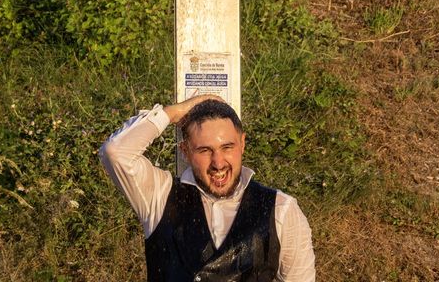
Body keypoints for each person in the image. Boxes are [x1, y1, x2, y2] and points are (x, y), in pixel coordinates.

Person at [100, 94, 315, 282]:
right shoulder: (159, 196)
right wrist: (174, 112)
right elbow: (116, 152)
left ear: (242, 144)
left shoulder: (282, 210)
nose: (218, 162)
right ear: (185, 151)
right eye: (204, 150)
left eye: (227, 147)